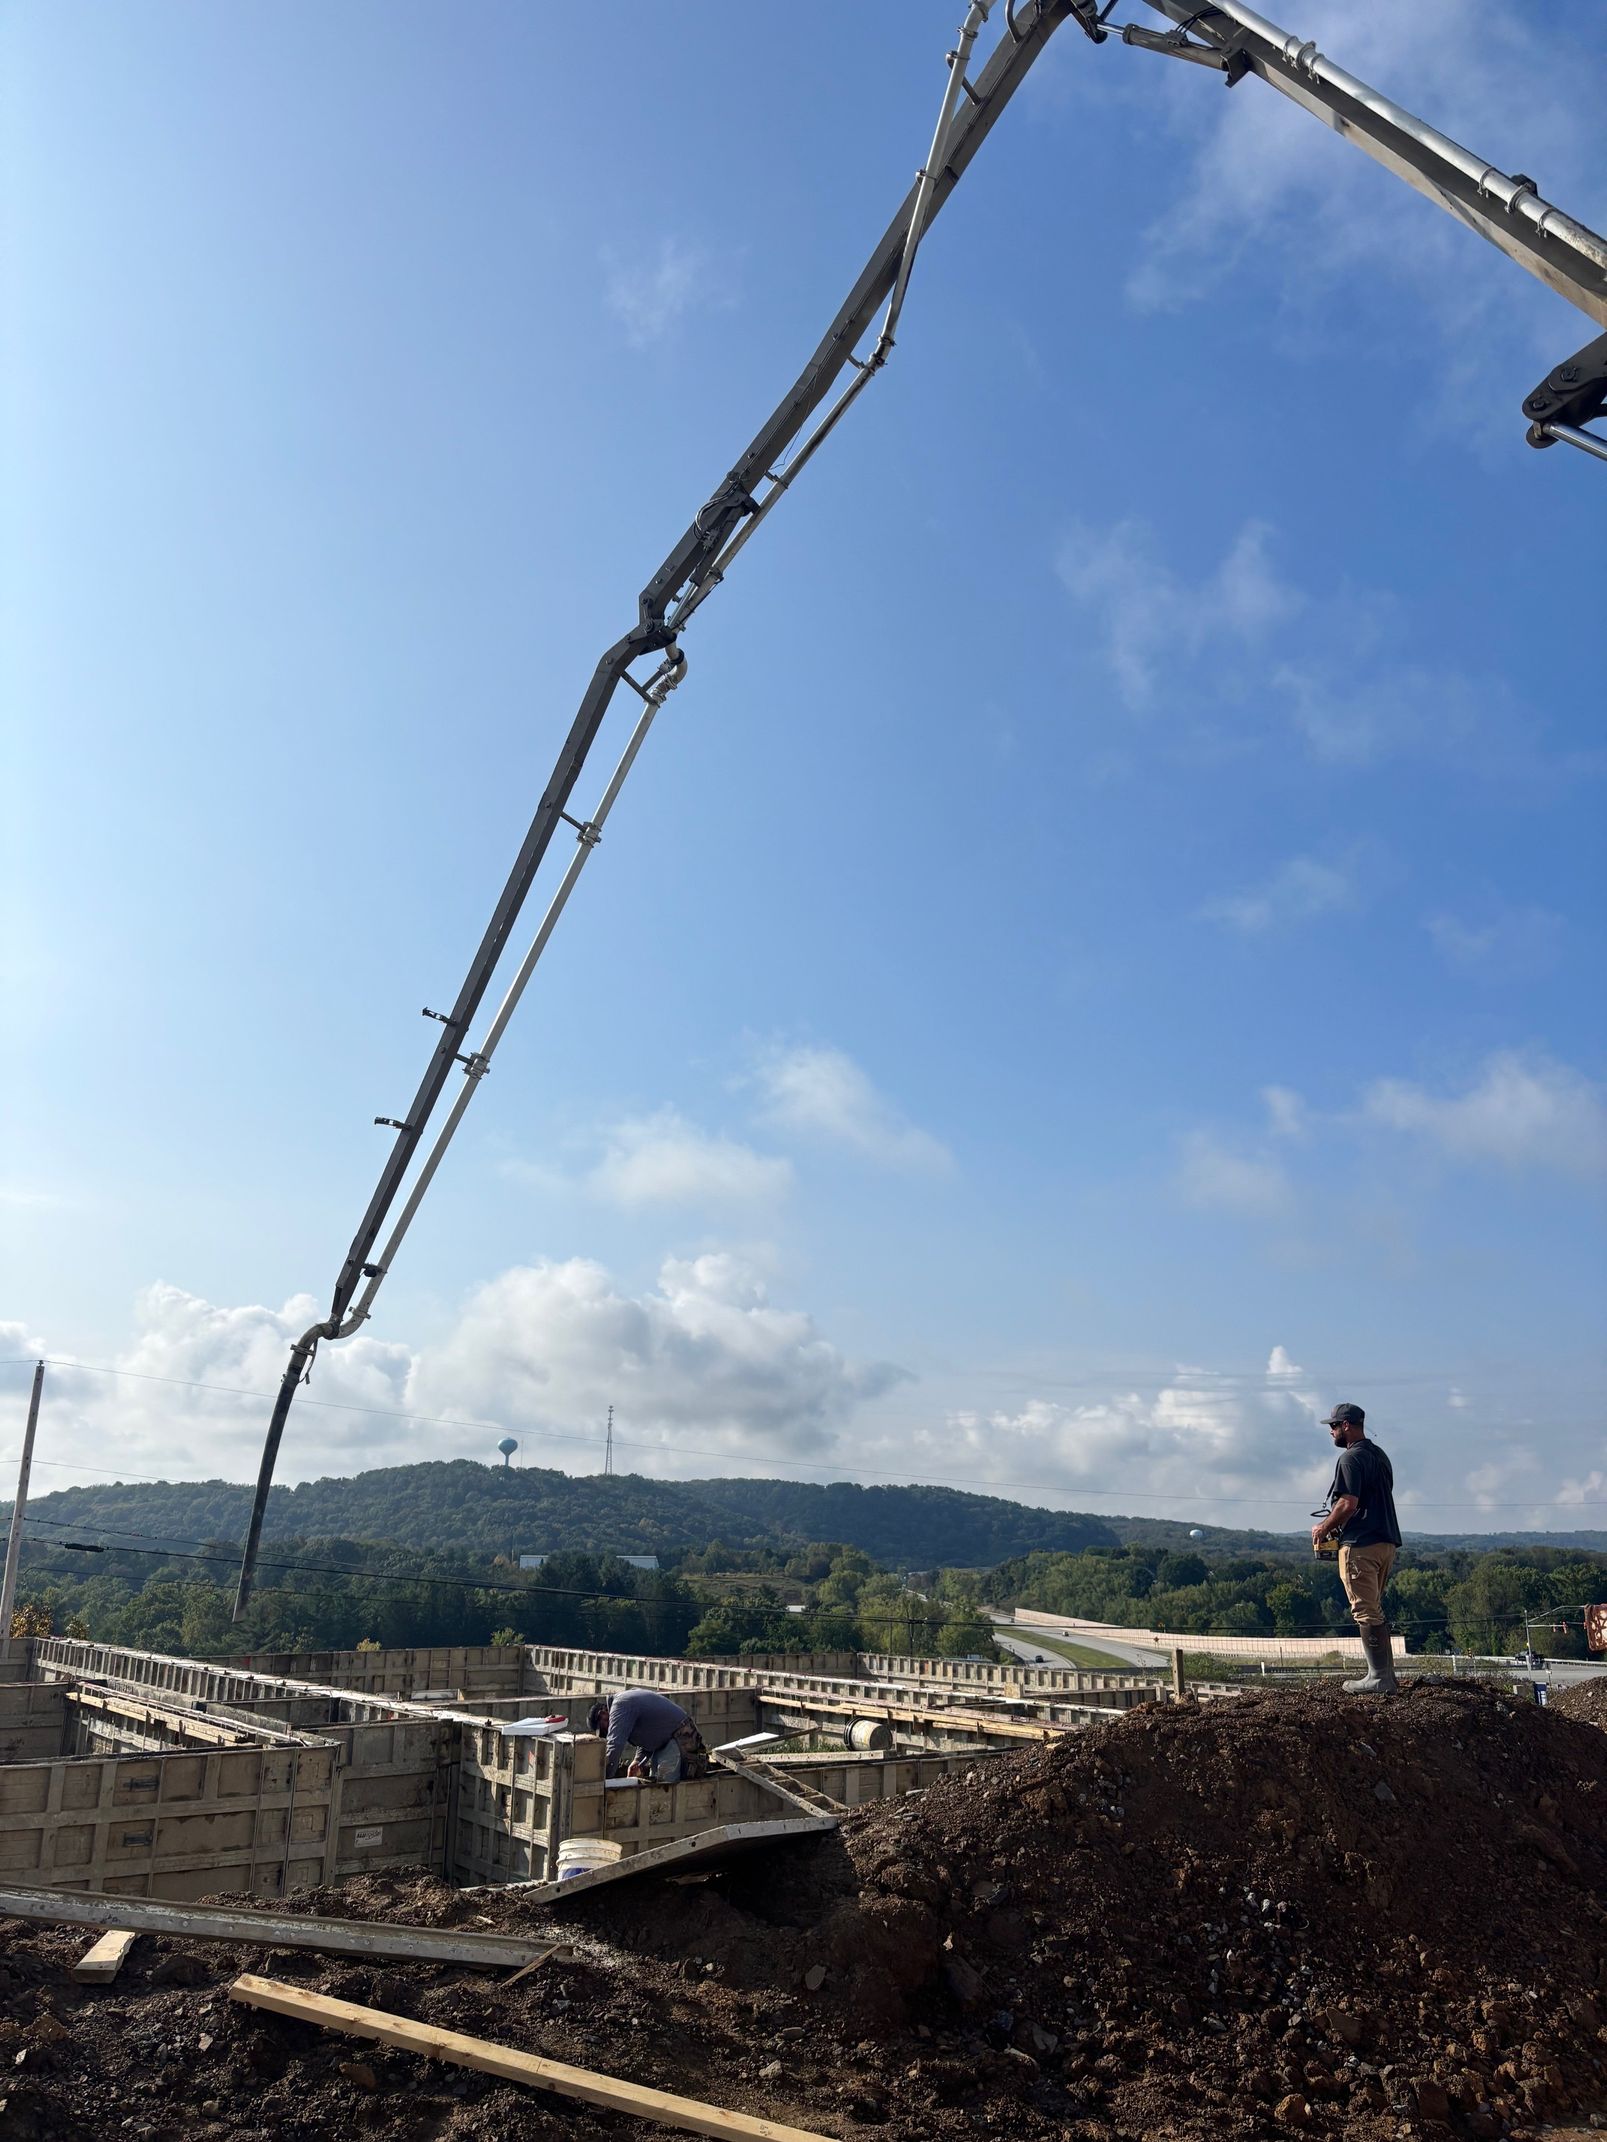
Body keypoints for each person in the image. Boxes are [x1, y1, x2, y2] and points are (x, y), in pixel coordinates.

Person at [1311, 1401, 1402, 1694]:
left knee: (1365, 1612)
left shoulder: (1349, 1460)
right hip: (1386, 1542)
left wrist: (1324, 1528)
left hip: (1361, 1544)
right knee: (1374, 1609)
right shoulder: (1381, 1456)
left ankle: (1379, 1678)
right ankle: (1385, 1676)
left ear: (1346, 1425)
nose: (1332, 1432)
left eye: (1334, 1426)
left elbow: (1348, 1503)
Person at [587, 1689, 708, 1782]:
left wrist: (604, 1780)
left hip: (680, 1737)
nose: (607, 1731)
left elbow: (615, 1745)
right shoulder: (624, 1701)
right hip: (669, 1740)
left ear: (603, 1714)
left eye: (603, 1728)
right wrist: (637, 1761)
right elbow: (648, 1734)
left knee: (663, 1785)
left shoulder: (620, 1706)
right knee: (653, 1780)